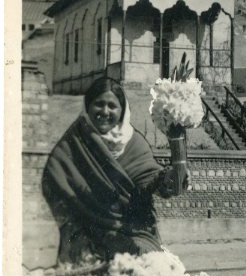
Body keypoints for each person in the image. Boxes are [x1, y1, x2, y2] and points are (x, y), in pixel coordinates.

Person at [42, 78, 188, 264]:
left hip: (131, 229)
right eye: (99, 104)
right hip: (85, 230)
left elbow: (151, 181)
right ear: (88, 106)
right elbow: (54, 181)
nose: (105, 111)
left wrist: (172, 177)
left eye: (112, 106)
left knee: (144, 261)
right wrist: (73, 229)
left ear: (122, 110)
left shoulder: (134, 143)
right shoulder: (76, 140)